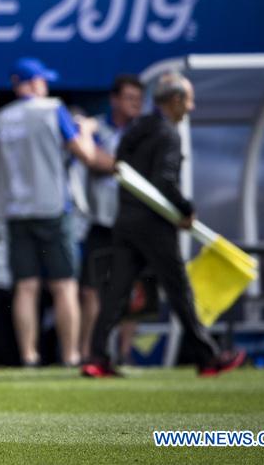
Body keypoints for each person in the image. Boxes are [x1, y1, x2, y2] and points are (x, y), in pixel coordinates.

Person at [83, 72, 247, 377]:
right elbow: (165, 181)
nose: (191, 107)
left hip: (125, 220)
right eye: (189, 100)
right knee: (179, 290)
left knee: (117, 291)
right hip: (155, 224)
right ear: (175, 101)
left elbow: (122, 166)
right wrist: (187, 210)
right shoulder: (168, 134)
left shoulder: (136, 128)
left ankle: (97, 358)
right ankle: (208, 357)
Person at [0, 57, 113, 367]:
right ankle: (71, 355)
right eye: (43, 80)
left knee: (25, 286)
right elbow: (86, 156)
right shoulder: (53, 110)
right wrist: (87, 130)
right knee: (64, 284)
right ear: (34, 83)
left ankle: (29, 355)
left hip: (16, 211)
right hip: (53, 208)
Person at [78, 75, 144, 361]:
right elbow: (91, 158)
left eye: (138, 100)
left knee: (134, 288)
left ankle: (125, 353)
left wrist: (114, 164)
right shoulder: (97, 128)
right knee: (91, 290)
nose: (135, 105)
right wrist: (126, 166)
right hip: (101, 221)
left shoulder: (143, 130)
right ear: (114, 99)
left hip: (134, 221)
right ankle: (87, 352)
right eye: (129, 98)